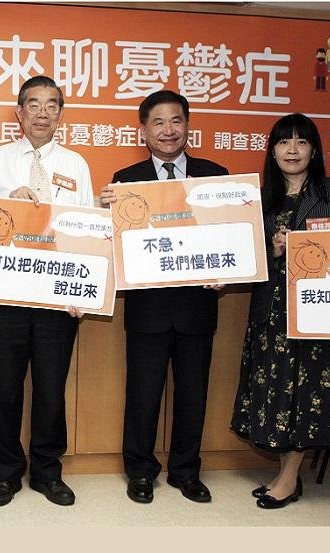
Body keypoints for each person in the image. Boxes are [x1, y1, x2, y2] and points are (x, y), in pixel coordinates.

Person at [231, 113, 330, 509]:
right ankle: (284, 474)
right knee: (275, 395)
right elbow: (243, 255)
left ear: (314, 150)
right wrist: (273, 251)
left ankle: (290, 478)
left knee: (304, 395)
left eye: (302, 142)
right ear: (272, 151)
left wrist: (310, 245)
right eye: (283, 142)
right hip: (270, 314)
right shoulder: (259, 198)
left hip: (313, 314)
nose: (292, 150)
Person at [100, 90, 227, 505]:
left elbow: (229, 236)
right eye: (158, 122)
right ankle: (140, 471)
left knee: (193, 395)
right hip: (148, 309)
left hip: (197, 306)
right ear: (144, 131)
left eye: (176, 120)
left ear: (187, 126)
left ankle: (186, 471)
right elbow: (114, 245)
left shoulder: (215, 176)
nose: (168, 130)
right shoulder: (125, 181)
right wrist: (105, 212)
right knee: (143, 396)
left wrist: (228, 271)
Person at [0, 75, 92, 507]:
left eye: (51, 105)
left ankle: (47, 471)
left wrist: (83, 292)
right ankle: (6, 474)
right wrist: (10, 202)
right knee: (3, 389)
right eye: (34, 104)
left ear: (60, 114)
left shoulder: (76, 165)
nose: (42, 113)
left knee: (50, 388)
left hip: (58, 297)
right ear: (19, 112)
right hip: (5, 293)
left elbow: (86, 234)